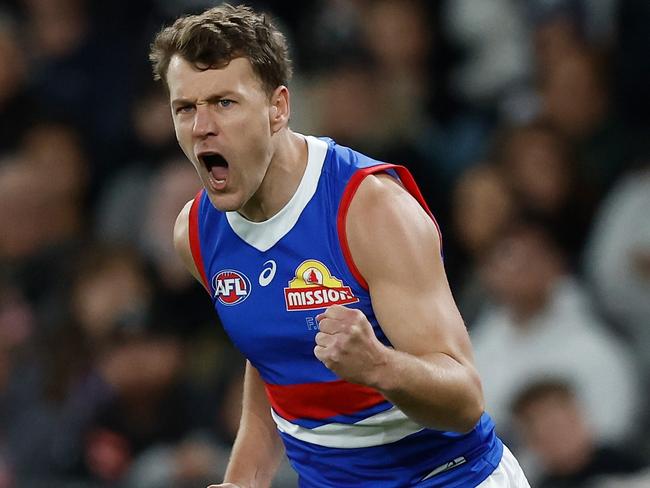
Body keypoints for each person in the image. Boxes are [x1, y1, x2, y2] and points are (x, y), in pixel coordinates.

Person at [149, 4, 530, 487]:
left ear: (278, 108)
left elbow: (464, 401)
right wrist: (245, 478)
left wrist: (380, 366)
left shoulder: (370, 209)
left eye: (225, 102)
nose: (202, 125)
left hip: (452, 477)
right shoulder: (196, 235)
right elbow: (270, 354)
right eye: (185, 108)